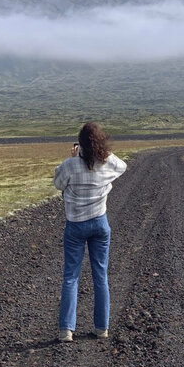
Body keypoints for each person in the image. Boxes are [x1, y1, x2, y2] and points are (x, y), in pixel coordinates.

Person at [53, 122, 127, 342]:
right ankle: (101, 327)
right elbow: (122, 166)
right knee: (100, 276)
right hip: (100, 224)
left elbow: (58, 184)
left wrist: (75, 157)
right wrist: (104, 152)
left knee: (71, 277)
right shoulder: (107, 163)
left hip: (75, 226)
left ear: (81, 143)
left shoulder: (70, 165)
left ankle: (67, 330)